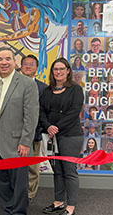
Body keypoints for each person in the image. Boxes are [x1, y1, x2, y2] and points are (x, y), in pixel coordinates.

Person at [0, 48, 39, 215]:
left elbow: (31, 116)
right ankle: (7, 210)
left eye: (8, 59)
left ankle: (18, 212)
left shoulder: (26, 83)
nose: (4, 62)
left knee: (18, 184)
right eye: (0, 59)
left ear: (14, 62)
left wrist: (25, 142)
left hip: (17, 143)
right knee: (2, 181)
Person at [40, 58, 84, 215]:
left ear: (68, 71)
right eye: (55, 69)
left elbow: (74, 112)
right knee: (57, 170)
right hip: (51, 136)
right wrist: (48, 126)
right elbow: (41, 112)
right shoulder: (47, 90)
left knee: (69, 171)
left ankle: (70, 206)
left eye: (61, 69)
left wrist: (56, 127)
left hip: (70, 135)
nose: (58, 72)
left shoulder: (76, 90)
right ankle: (58, 202)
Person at [20, 54, 47, 202]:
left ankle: (29, 195)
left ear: (36, 68)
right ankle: (17, 192)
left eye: (31, 64)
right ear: (20, 67)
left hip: (34, 134)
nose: (28, 66)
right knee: (15, 166)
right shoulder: (14, 85)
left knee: (32, 167)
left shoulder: (42, 88)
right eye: (25, 64)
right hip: (15, 134)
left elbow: (43, 111)